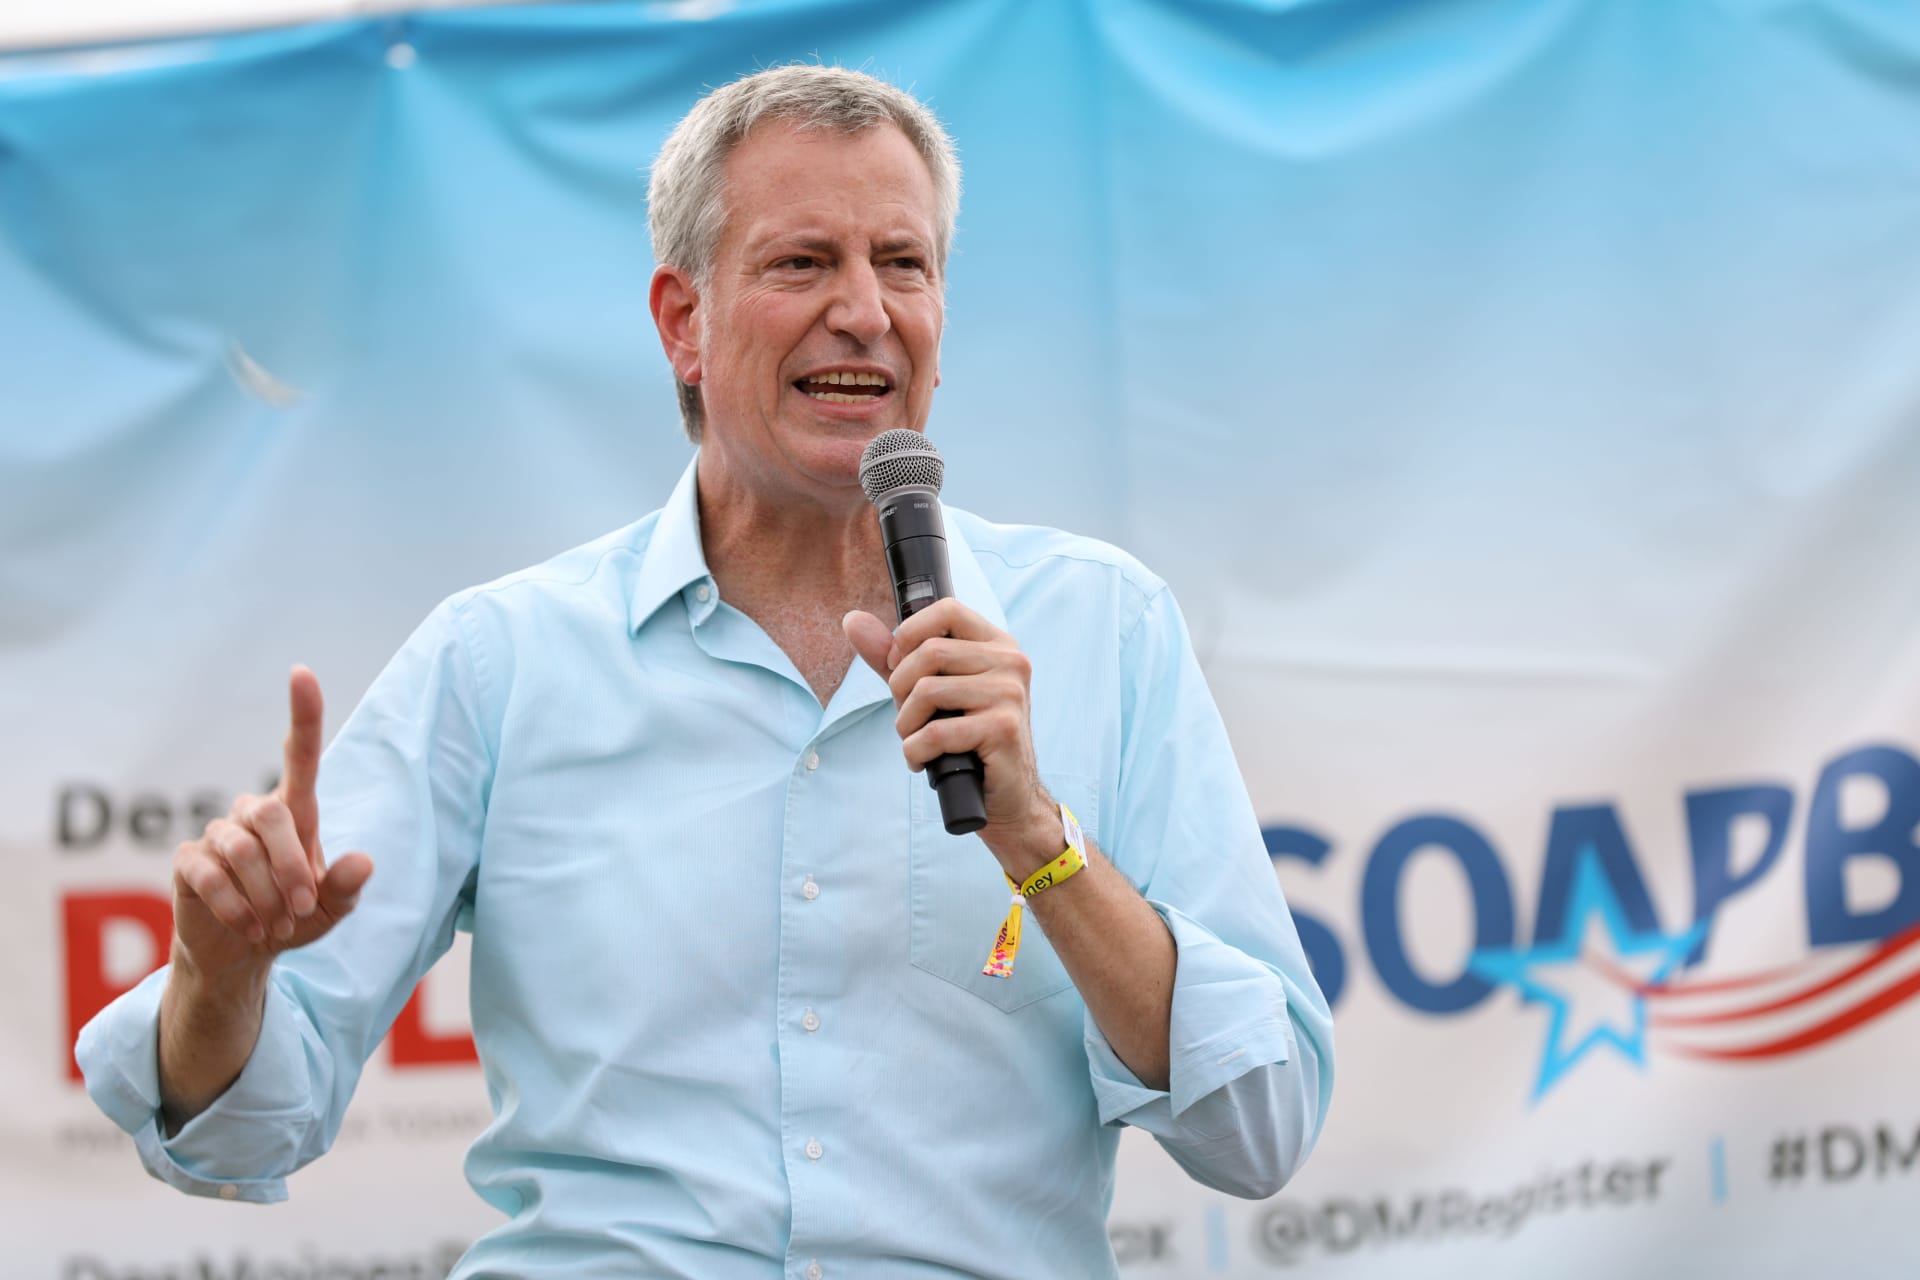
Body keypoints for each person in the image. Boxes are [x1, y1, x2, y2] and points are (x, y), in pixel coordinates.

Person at [78, 65, 1334, 1278]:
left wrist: (1040, 841)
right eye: (803, 262)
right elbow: (236, 1125)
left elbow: (1258, 1126)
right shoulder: (501, 660)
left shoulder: (1103, 626)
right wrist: (218, 976)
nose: (865, 310)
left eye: (904, 264)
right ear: (684, 322)